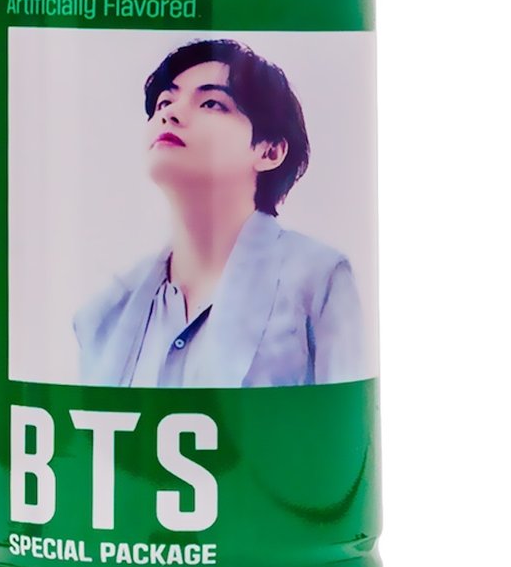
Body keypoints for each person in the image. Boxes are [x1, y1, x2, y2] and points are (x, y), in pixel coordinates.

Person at [73, 38, 367, 387]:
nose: (170, 113)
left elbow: (344, 411)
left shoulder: (317, 278)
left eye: (211, 103)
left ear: (270, 151)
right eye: (165, 101)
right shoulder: (105, 314)